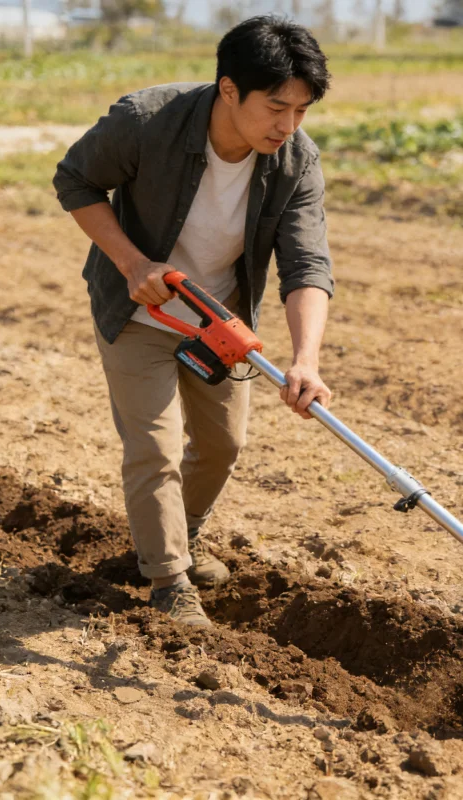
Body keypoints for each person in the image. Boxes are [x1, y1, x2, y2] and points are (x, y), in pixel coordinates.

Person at [53, 16, 334, 628]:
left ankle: (177, 535)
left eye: (303, 110)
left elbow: (307, 262)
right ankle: (168, 581)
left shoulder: (295, 161)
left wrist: (305, 358)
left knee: (221, 445)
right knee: (154, 447)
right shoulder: (147, 120)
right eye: (277, 106)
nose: (288, 125)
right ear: (229, 89)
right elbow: (75, 179)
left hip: (218, 321)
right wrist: (131, 263)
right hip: (138, 307)